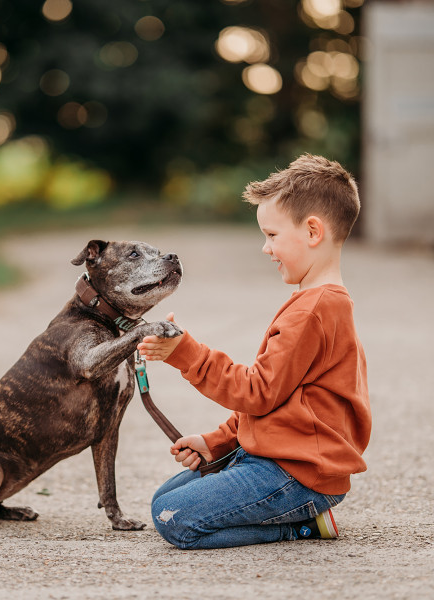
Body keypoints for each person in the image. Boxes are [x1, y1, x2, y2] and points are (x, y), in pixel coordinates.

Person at [137, 154, 371, 550]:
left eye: (273, 235)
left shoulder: (314, 310)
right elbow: (277, 400)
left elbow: (257, 391)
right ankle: (284, 506)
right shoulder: (314, 303)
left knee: (172, 519)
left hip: (298, 474)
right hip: (273, 457)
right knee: (163, 501)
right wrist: (218, 442)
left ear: (313, 231)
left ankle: (303, 526)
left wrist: (185, 353)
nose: (266, 248)